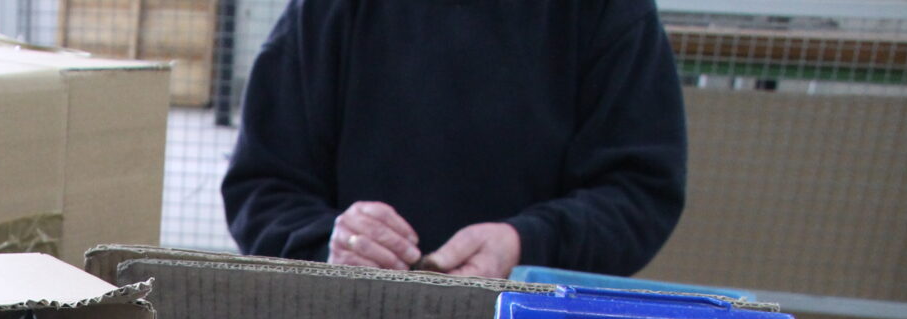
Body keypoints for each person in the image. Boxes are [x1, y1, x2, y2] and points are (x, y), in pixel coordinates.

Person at [222, 0, 687, 279]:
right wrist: (331, 244)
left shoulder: (604, 12)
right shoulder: (325, 12)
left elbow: (640, 189)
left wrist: (527, 245)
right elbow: (263, 186)